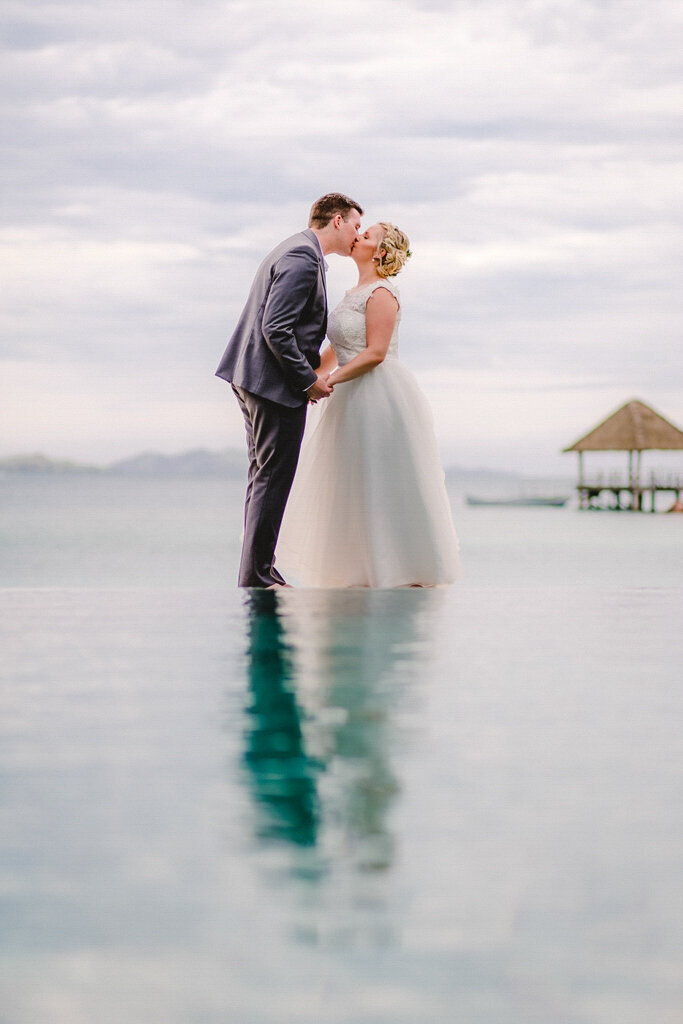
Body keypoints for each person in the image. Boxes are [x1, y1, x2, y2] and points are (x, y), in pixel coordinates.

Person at [276, 222, 461, 588]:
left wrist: (328, 382)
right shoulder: (352, 293)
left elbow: (375, 353)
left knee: (384, 479)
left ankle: (401, 569)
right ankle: (358, 568)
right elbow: (340, 348)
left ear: (380, 252)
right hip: (348, 395)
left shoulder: (381, 293)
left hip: (378, 395)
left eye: (367, 235)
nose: (358, 236)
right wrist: (309, 375)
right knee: (351, 481)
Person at [215, 193, 363, 588]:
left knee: (263, 477)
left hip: (255, 378)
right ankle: (258, 575)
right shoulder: (301, 258)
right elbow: (275, 328)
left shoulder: (297, 249)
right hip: (274, 384)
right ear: (337, 221)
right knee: (272, 478)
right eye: (355, 226)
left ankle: (259, 568)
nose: (357, 234)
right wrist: (307, 380)